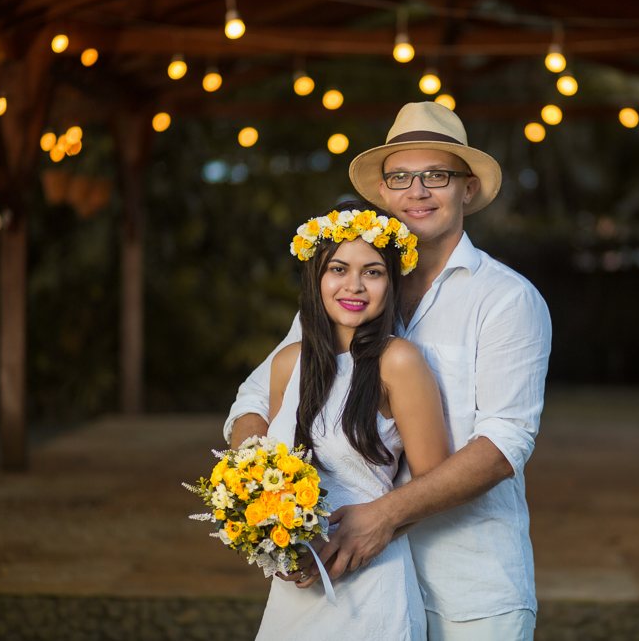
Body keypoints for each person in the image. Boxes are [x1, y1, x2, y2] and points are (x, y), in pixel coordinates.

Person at [227, 102, 552, 641]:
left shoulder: (506, 298)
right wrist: (265, 504)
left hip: (468, 586)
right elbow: (256, 400)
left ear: (467, 189)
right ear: (382, 191)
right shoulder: (348, 292)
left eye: (436, 176)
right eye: (400, 177)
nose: (417, 191)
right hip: (346, 585)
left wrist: (381, 516)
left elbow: (503, 444)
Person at [254, 204, 449, 640]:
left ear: (391, 282)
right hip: (295, 589)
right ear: (316, 277)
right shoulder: (288, 363)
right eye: (338, 269)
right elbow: (273, 470)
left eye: (374, 272)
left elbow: (436, 481)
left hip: (369, 586)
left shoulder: (398, 361)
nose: (355, 286)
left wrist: (370, 531)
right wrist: (272, 539)